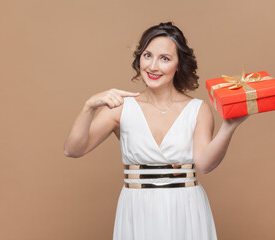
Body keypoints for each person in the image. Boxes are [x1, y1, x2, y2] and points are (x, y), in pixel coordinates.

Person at [64, 22, 248, 240]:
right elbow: (73, 150)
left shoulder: (198, 109)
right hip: (137, 207)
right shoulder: (121, 108)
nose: (152, 66)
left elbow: (205, 165)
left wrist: (229, 126)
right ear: (139, 58)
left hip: (185, 207)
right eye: (147, 55)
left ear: (179, 65)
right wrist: (89, 106)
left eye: (165, 58)